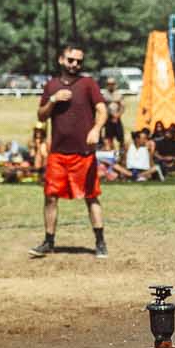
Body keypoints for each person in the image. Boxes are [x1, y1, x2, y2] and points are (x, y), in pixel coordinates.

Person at [30, 43, 108, 259]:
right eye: (71, 60)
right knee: (50, 197)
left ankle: (100, 242)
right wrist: (54, 100)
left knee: (91, 197)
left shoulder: (88, 84)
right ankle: (48, 241)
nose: (75, 65)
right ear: (61, 60)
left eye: (79, 61)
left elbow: (102, 109)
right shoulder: (51, 85)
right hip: (58, 153)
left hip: (83, 153)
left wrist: (96, 128)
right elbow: (41, 115)